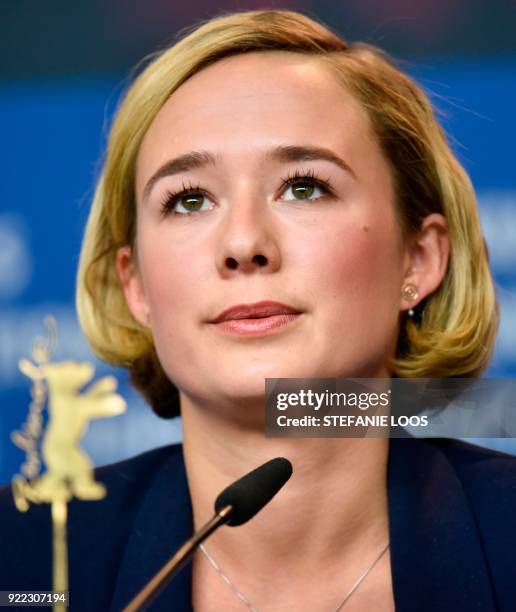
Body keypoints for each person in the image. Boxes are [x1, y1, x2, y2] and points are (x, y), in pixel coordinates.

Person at [1, 9, 515, 612]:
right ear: (136, 285)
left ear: (417, 261)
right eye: (189, 200)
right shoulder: (25, 565)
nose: (244, 244)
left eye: (304, 187)